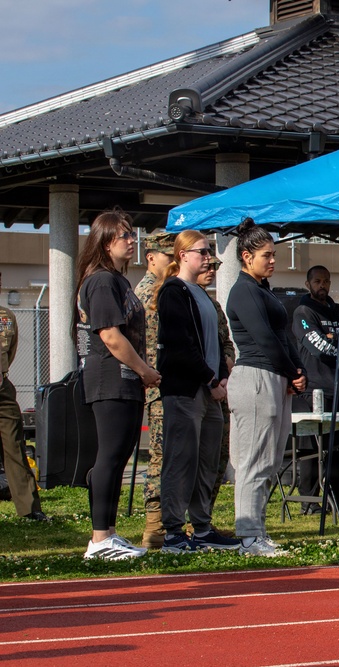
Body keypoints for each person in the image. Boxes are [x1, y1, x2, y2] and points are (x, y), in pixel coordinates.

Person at [74, 208, 161, 560]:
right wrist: (145, 370)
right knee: (110, 456)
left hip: (124, 379)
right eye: (124, 235)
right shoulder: (101, 281)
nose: (132, 240)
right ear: (106, 242)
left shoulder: (119, 280)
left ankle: (108, 532)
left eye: (131, 234)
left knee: (120, 456)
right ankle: (99, 540)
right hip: (110, 376)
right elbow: (110, 336)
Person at [153, 231, 239, 553]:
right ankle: (173, 532)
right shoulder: (174, 291)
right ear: (183, 254)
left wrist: (221, 377)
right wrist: (211, 379)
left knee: (206, 462)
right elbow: (180, 346)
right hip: (187, 390)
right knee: (181, 460)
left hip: (209, 389)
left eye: (209, 253)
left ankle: (201, 528)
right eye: (202, 252)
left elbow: (214, 343)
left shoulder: (202, 294)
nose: (207, 258)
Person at [226, 219, 306, 557]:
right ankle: (247, 536)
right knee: (252, 461)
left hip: (275, 378)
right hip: (255, 377)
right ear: (246, 257)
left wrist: (297, 372)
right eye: (266, 256)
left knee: (270, 460)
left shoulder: (264, 289)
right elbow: (264, 339)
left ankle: (257, 531)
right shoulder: (243, 290)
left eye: (273, 255)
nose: (272, 261)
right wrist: (291, 371)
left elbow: (285, 337)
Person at [291, 265, 339, 515]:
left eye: (326, 281)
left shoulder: (338, 310)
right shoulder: (303, 311)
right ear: (307, 284)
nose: (322, 285)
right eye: (317, 281)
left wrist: (335, 339)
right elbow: (319, 347)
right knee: (312, 448)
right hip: (315, 389)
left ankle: (337, 497)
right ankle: (309, 502)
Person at [133, 232, 174, 548]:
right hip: (157, 387)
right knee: (160, 456)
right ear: (151, 257)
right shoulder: (147, 294)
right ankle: (154, 527)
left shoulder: (166, 291)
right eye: (167, 255)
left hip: (170, 385)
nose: (173, 261)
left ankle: (168, 524)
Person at [0, 271, 48, 521]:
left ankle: (30, 509)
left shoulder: (6, 317)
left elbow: (10, 352)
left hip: (2, 389)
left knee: (14, 447)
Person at [195, 257, 236, 515]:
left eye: (215, 268)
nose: (210, 271)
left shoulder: (213, 305)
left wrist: (225, 371)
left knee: (217, 458)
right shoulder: (178, 298)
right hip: (197, 389)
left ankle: (204, 517)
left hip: (220, 389)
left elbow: (227, 343)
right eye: (207, 266)